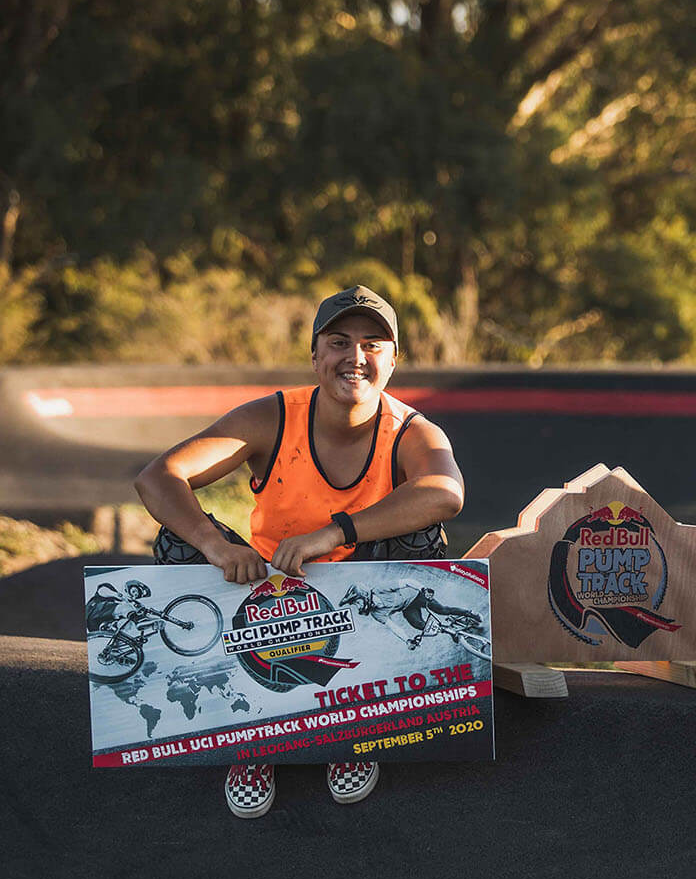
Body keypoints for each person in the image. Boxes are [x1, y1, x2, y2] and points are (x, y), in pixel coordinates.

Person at [135, 285, 464, 819]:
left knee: (423, 541)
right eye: (339, 342)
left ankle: (364, 725)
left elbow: (446, 493)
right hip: (269, 602)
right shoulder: (271, 418)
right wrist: (213, 544)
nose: (355, 357)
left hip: (360, 599)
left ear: (394, 359)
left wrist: (336, 532)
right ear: (315, 355)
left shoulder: (410, 430)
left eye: (373, 344)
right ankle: (247, 735)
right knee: (177, 538)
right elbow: (158, 477)